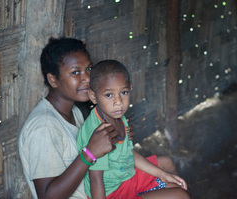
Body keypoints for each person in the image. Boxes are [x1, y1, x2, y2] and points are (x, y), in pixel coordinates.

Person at [18, 37, 182, 199]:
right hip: (96, 192)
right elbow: (48, 196)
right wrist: (89, 153)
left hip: (104, 183)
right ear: (53, 79)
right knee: (179, 195)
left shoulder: (73, 112)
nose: (87, 79)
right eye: (76, 72)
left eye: (89, 69)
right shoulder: (43, 127)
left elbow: (99, 147)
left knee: (168, 168)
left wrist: (118, 136)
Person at [77, 60, 191, 199]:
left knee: (168, 167)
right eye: (109, 95)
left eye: (123, 92)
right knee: (181, 195)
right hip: (111, 193)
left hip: (125, 176)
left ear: (130, 88)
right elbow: (95, 179)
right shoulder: (98, 132)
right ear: (93, 96)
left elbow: (128, 154)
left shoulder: (117, 116)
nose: (118, 101)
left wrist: (161, 174)